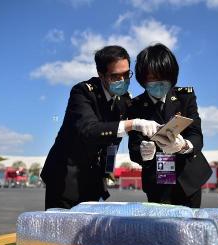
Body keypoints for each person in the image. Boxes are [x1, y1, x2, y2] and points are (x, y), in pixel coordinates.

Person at [41, 45, 160, 210]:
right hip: (66, 177)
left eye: (126, 75)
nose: (122, 81)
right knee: (61, 232)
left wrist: (143, 149)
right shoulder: (83, 92)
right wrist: (132, 123)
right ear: (101, 74)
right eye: (115, 76)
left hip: (94, 179)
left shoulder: (123, 100)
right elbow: (89, 130)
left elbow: (122, 141)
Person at [128, 43, 211, 208]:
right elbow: (134, 148)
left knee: (189, 228)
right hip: (156, 180)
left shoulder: (185, 97)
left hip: (188, 178)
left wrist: (183, 146)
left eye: (163, 78)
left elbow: (196, 135)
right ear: (142, 79)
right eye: (152, 79)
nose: (158, 84)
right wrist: (144, 153)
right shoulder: (134, 106)